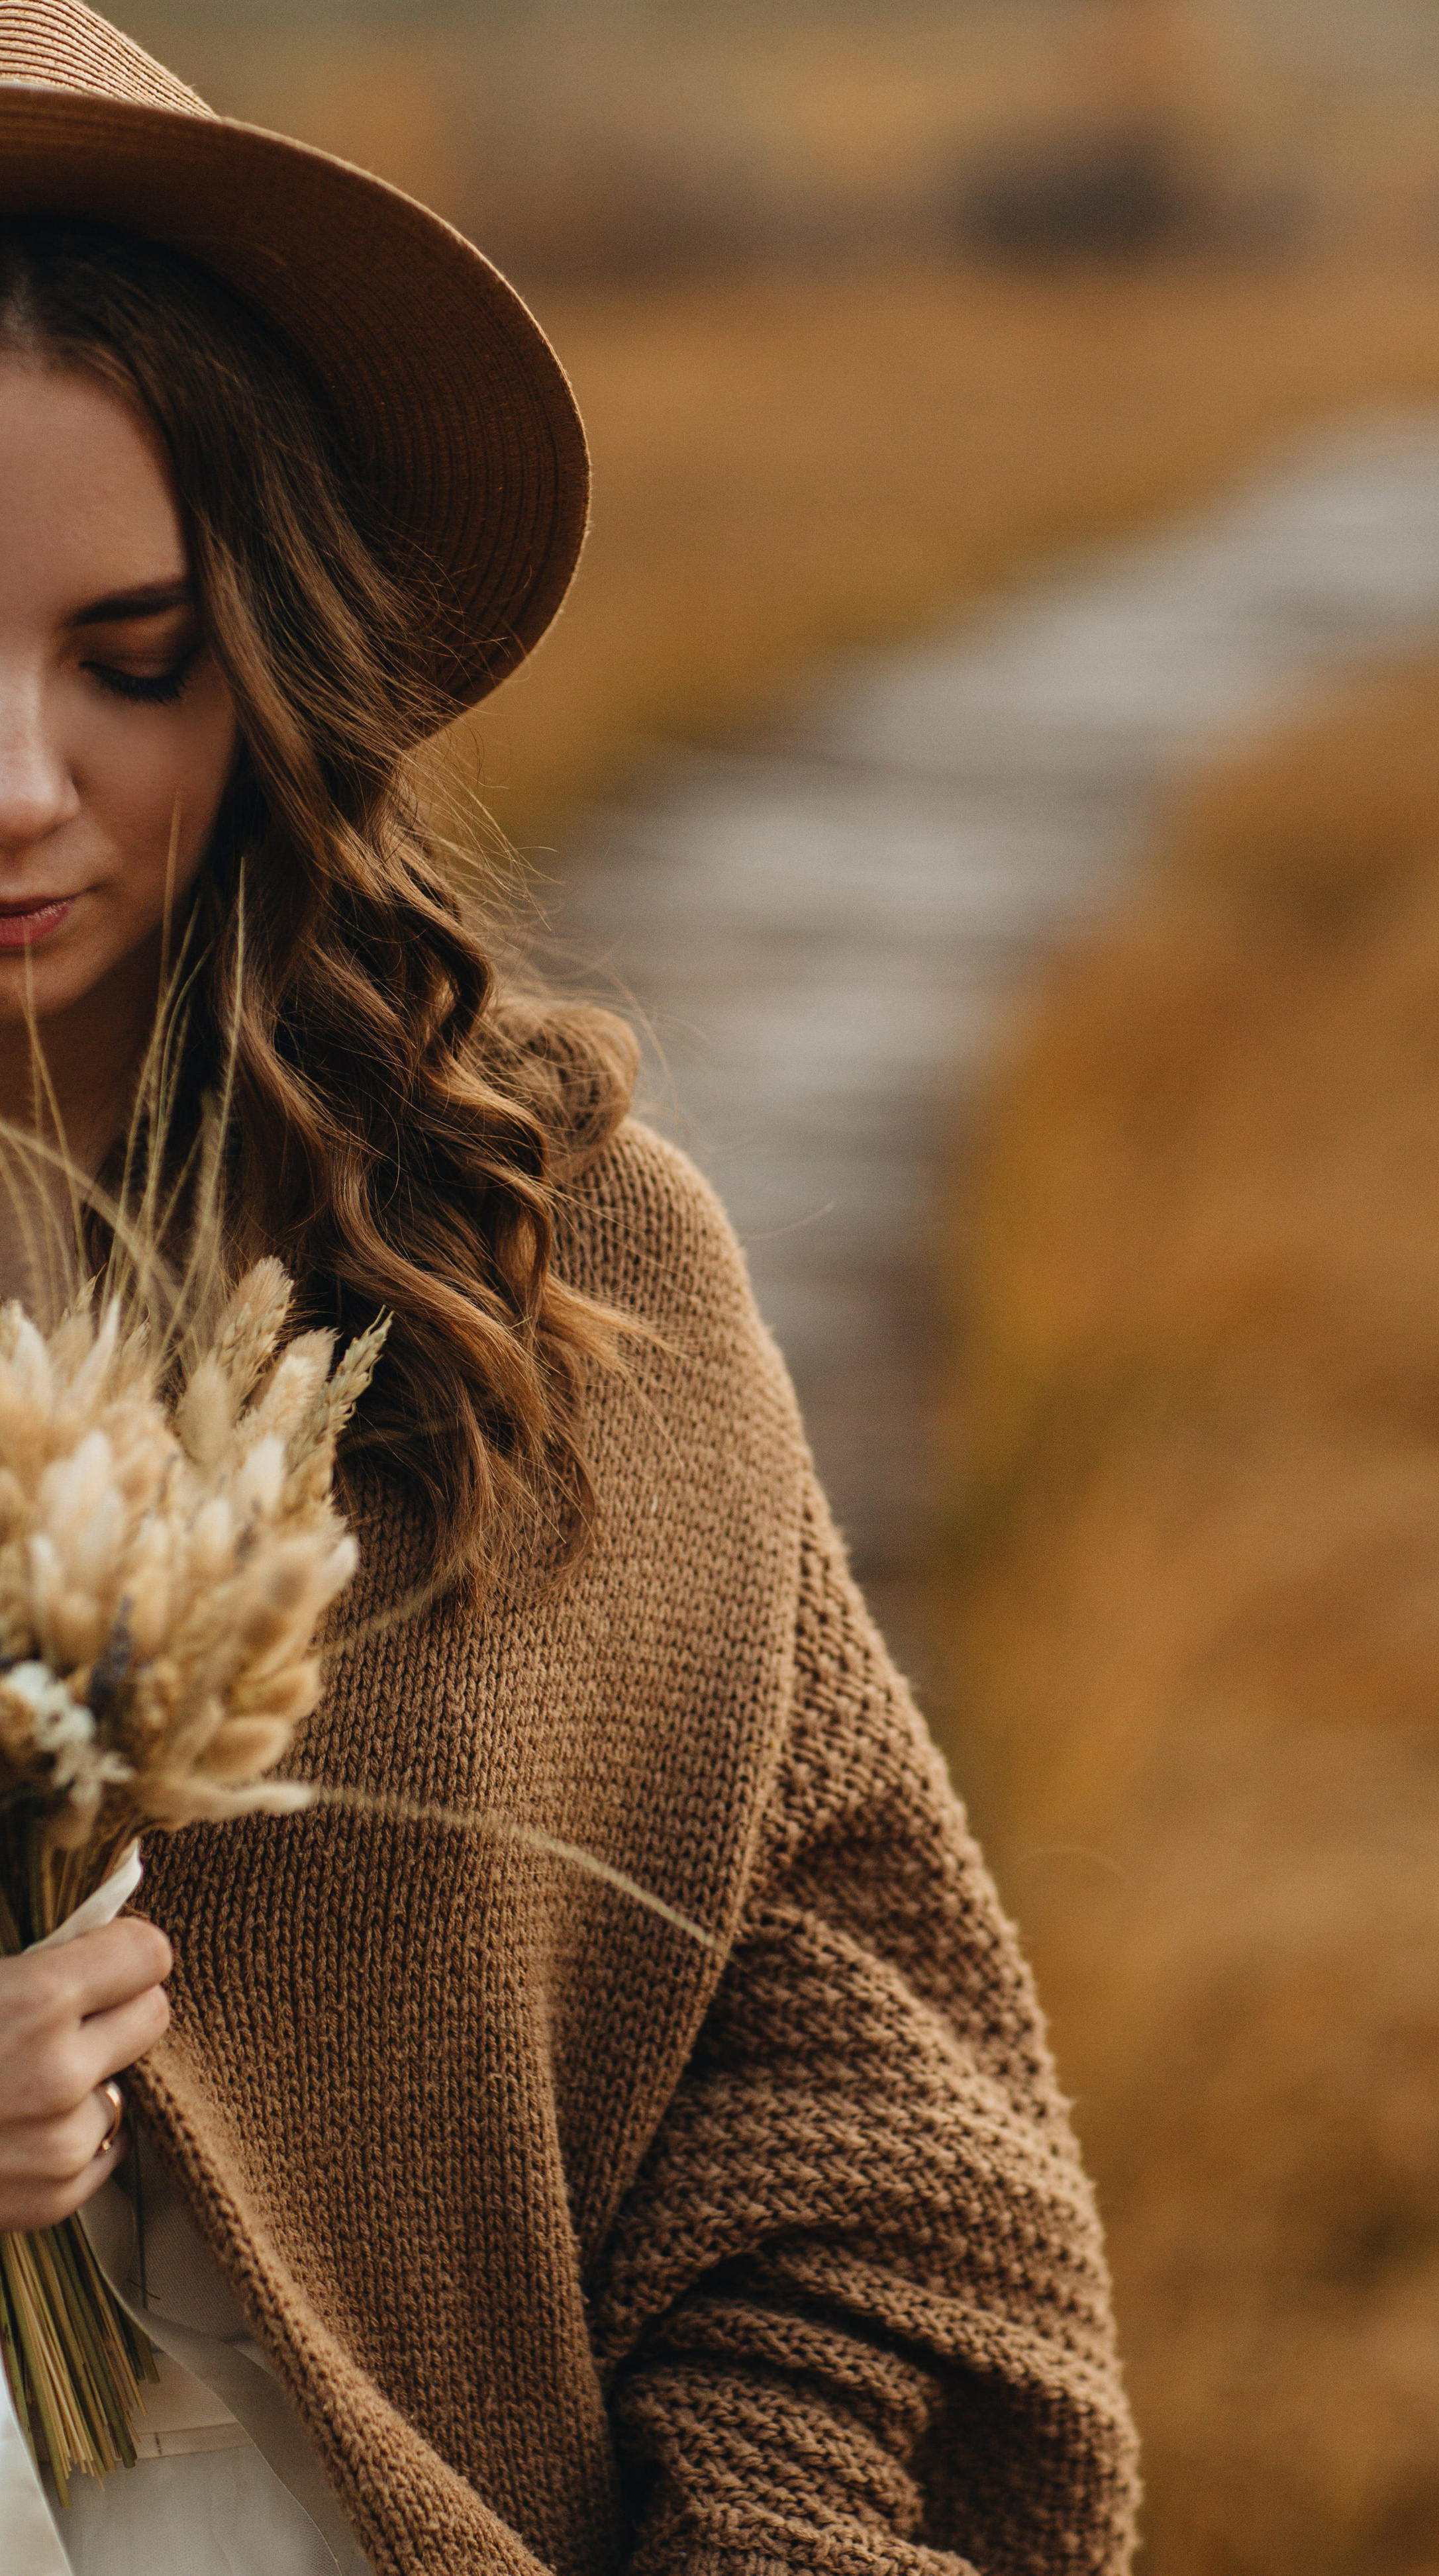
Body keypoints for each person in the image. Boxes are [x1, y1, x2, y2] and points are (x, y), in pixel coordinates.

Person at [0, 6, 1137, 2573]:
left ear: (272, 647)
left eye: (134, 653)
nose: (18, 781)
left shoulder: (544, 1257)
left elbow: (847, 2127)